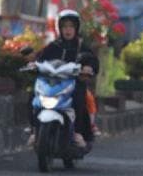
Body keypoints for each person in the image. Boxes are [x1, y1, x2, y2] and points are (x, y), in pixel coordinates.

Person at [37, 9, 99, 148]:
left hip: (74, 83)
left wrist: (89, 67)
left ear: (76, 28)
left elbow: (92, 60)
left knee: (78, 99)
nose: (68, 30)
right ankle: (35, 131)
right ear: (59, 28)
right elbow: (40, 59)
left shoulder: (82, 47)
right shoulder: (53, 46)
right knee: (34, 97)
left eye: (71, 26)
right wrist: (32, 64)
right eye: (64, 26)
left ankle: (77, 132)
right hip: (53, 84)